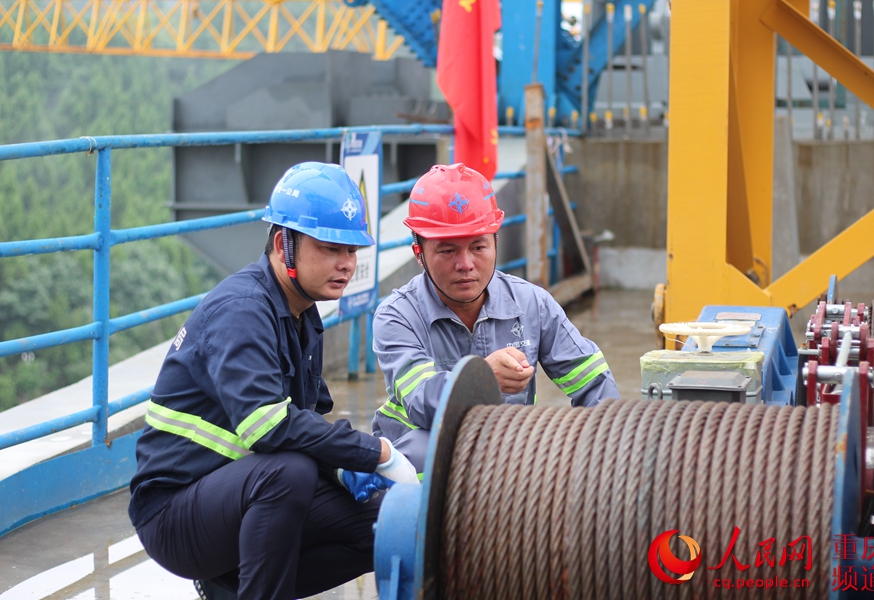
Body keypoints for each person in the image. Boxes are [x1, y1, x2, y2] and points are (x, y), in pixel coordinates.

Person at [128, 162, 418, 600]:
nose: (346, 264)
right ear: (284, 245)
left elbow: (307, 420)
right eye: (330, 248)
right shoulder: (242, 310)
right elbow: (267, 426)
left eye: (352, 250)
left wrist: (343, 467)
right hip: (174, 514)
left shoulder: (302, 314)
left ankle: (232, 585)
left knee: (382, 525)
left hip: (238, 494)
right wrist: (375, 452)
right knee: (289, 472)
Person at [371, 163, 620, 472]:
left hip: (503, 457)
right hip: (413, 467)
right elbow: (422, 404)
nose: (466, 264)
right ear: (418, 253)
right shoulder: (397, 316)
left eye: (478, 246)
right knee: (424, 453)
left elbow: (593, 382)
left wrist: (598, 453)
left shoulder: (532, 303)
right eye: (447, 251)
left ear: (495, 243)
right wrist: (480, 381)